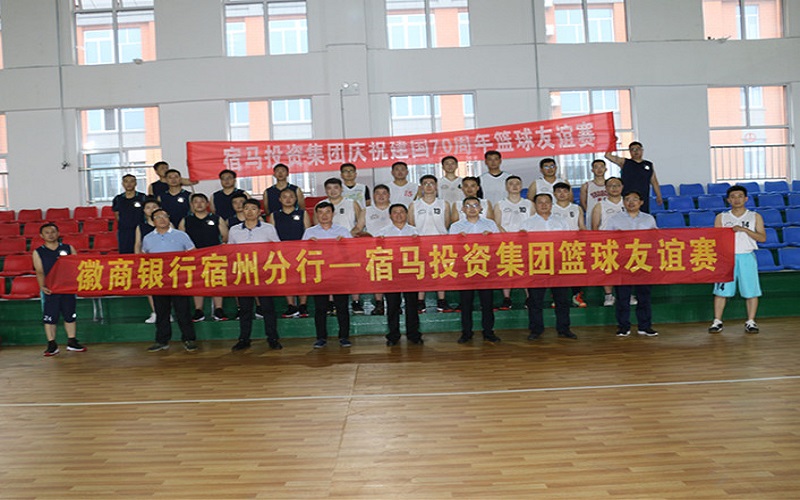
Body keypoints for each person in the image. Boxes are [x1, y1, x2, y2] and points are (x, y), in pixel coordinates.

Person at [708, 185, 766, 334]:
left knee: (751, 290)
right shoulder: (721, 217)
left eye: (740, 196)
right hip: (726, 258)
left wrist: (744, 230)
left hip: (746, 256)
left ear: (746, 199)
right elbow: (715, 239)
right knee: (721, 291)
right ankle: (717, 321)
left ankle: (751, 321)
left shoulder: (754, 216)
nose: (736, 199)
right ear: (728, 200)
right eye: (733, 197)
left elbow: (762, 238)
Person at [519, 193, 577, 340]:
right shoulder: (527, 224)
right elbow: (522, 245)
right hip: (537, 265)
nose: (544, 205)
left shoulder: (561, 222)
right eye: (540, 202)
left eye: (547, 202)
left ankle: (564, 328)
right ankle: (536, 330)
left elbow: (568, 241)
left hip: (558, 264)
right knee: (535, 300)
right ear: (535, 205)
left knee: (562, 299)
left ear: (552, 205)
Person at [228, 199, 283, 351]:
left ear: (259, 212)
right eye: (246, 208)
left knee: (267, 308)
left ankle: (272, 338)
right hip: (244, 274)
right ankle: (244, 339)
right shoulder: (234, 230)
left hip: (263, 274)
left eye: (253, 208)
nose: (250, 211)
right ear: (242, 211)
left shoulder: (268, 228)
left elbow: (278, 247)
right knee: (245, 309)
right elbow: (230, 252)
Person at [140, 208, 198, 352]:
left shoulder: (181, 235)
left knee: (183, 311)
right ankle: (162, 340)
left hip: (179, 279)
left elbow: (193, 253)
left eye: (164, 216)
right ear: (153, 221)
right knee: (161, 312)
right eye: (158, 217)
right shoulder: (148, 238)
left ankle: (189, 339)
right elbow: (144, 258)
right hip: (159, 280)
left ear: (169, 218)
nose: (162, 219)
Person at [602, 191, 659, 338]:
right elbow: (607, 240)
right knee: (623, 297)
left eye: (635, 199)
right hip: (622, 262)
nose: (631, 202)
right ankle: (623, 327)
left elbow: (655, 239)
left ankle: (645, 326)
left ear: (641, 202)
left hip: (643, 262)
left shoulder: (649, 219)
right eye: (627, 199)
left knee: (644, 296)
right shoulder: (614, 219)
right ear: (623, 202)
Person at [449, 196, 501, 344]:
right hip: (465, 269)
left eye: (475, 205)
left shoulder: (490, 224)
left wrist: (491, 238)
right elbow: (450, 247)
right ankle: (466, 333)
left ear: (480, 208)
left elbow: (499, 244)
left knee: (487, 303)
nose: (472, 208)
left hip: (485, 268)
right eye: (468, 206)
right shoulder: (456, 227)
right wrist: (458, 239)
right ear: (463, 209)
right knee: (466, 303)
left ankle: (488, 332)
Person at [302, 202, 352, 348]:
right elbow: (301, 253)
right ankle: (321, 337)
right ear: (316, 215)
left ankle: (344, 337)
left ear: (333, 214)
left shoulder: (342, 231)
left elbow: (353, 252)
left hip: (339, 274)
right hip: (319, 275)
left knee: (342, 307)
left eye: (327, 212)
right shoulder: (309, 232)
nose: (324, 216)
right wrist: (309, 245)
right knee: (320, 308)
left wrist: (344, 244)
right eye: (321, 212)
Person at [33, 223, 87, 356]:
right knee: (49, 317)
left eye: (53, 232)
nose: (50, 235)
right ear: (41, 235)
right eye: (47, 232)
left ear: (58, 233)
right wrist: (42, 286)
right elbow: (39, 271)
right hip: (50, 289)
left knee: (70, 315)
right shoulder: (38, 252)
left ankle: (72, 341)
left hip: (67, 288)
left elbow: (77, 266)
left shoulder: (68, 248)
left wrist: (75, 283)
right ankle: (52, 344)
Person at [375, 204, 423, 346]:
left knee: (412, 305)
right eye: (395, 212)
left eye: (402, 212)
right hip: (392, 272)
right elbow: (377, 252)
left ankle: (413, 334)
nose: (399, 215)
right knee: (392, 306)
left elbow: (423, 251)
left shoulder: (415, 231)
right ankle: (393, 335)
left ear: (407, 214)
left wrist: (417, 241)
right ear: (390, 216)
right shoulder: (383, 233)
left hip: (410, 272)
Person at [179, 193, 229, 321]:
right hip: (194, 257)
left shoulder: (216, 218)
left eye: (202, 201)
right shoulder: (186, 220)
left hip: (214, 256)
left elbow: (225, 236)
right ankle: (198, 310)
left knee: (216, 281)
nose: (199, 204)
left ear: (207, 204)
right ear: (191, 205)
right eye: (196, 201)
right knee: (197, 283)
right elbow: (181, 239)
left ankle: (219, 309)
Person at [320, 177, 366, 314]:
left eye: (336, 188)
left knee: (352, 274)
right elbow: (317, 224)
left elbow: (360, 223)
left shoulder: (351, 203)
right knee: (329, 274)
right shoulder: (321, 205)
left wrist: (348, 235)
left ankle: (356, 302)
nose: (333, 191)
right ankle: (331, 302)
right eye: (329, 188)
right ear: (325, 190)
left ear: (341, 189)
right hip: (328, 247)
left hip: (348, 245)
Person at [409, 175, 454, 314]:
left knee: (440, 272)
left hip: (440, 244)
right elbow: (411, 225)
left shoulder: (444, 204)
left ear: (436, 186)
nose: (428, 186)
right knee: (422, 273)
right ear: (421, 187)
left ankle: (442, 300)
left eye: (431, 183)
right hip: (421, 244)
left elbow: (447, 224)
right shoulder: (414, 205)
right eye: (425, 183)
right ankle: (420, 301)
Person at [492, 175, 533, 310]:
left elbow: (533, 223)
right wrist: (506, 236)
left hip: (525, 243)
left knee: (526, 270)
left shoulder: (529, 204)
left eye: (517, 183)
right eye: (511, 184)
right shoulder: (500, 204)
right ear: (506, 187)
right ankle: (507, 298)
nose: (514, 186)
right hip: (506, 243)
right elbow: (496, 223)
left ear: (521, 186)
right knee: (506, 269)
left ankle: (529, 298)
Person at [270, 187, 311, 318]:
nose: (288, 199)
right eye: (285, 197)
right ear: (280, 199)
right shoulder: (274, 215)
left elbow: (308, 232)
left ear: (296, 199)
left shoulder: (302, 213)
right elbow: (272, 235)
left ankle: (303, 305)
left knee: (302, 278)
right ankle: (291, 305)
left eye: (291, 196)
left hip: (300, 252)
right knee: (286, 278)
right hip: (282, 253)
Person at [551, 181, 587, 308]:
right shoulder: (550, 208)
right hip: (556, 245)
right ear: (554, 193)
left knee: (575, 271)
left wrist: (586, 238)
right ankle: (557, 298)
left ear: (569, 193)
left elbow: (581, 226)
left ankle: (576, 296)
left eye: (565, 191)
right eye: (559, 191)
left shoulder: (576, 208)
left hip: (574, 245)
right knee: (557, 272)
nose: (562, 194)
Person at [591, 177, 626, 307]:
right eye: (611, 185)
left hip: (626, 242)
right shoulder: (600, 206)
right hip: (607, 243)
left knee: (626, 269)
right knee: (607, 269)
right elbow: (595, 226)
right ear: (605, 189)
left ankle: (626, 294)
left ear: (622, 187)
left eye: (617, 185)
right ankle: (609, 295)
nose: (614, 188)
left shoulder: (628, 202)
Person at [605, 141, 662, 213]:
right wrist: (612, 142)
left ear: (642, 150)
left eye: (638, 149)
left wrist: (658, 195)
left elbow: (654, 182)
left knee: (643, 216)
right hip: (627, 197)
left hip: (643, 197)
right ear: (630, 152)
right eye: (633, 150)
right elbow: (608, 155)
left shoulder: (648, 164)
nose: (636, 151)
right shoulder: (624, 162)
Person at [362, 184, 392, 316]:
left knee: (393, 277)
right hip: (374, 249)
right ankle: (379, 303)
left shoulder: (396, 209)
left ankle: (394, 304)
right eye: (377, 193)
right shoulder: (366, 210)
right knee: (377, 277)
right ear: (373, 196)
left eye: (384, 193)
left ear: (389, 195)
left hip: (393, 249)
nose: (381, 196)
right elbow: (358, 228)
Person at [134, 196, 162, 324]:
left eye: (154, 207)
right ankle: (156, 312)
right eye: (148, 208)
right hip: (149, 262)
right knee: (151, 288)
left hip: (166, 261)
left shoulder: (167, 224)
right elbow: (137, 244)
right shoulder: (141, 226)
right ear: (144, 211)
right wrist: (138, 259)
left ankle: (167, 313)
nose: (151, 210)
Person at [112, 174, 147, 254]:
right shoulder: (118, 199)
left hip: (140, 229)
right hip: (124, 231)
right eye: (126, 181)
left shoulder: (143, 197)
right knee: (125, 253)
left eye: (131, 181)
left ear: (135, 183)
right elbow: (117, 215)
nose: (129, 184)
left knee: (140, 252)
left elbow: (146, 213)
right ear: (122, 184)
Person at [580, 159, 608, 228]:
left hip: (608, 214)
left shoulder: (611, 185)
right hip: (592, 217)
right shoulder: (586, 185)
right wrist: (589, 212)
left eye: (601, 167)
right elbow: (583, 202)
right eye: (596, 167)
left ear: (605, 169)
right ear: (592, 170)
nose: (599, 169)